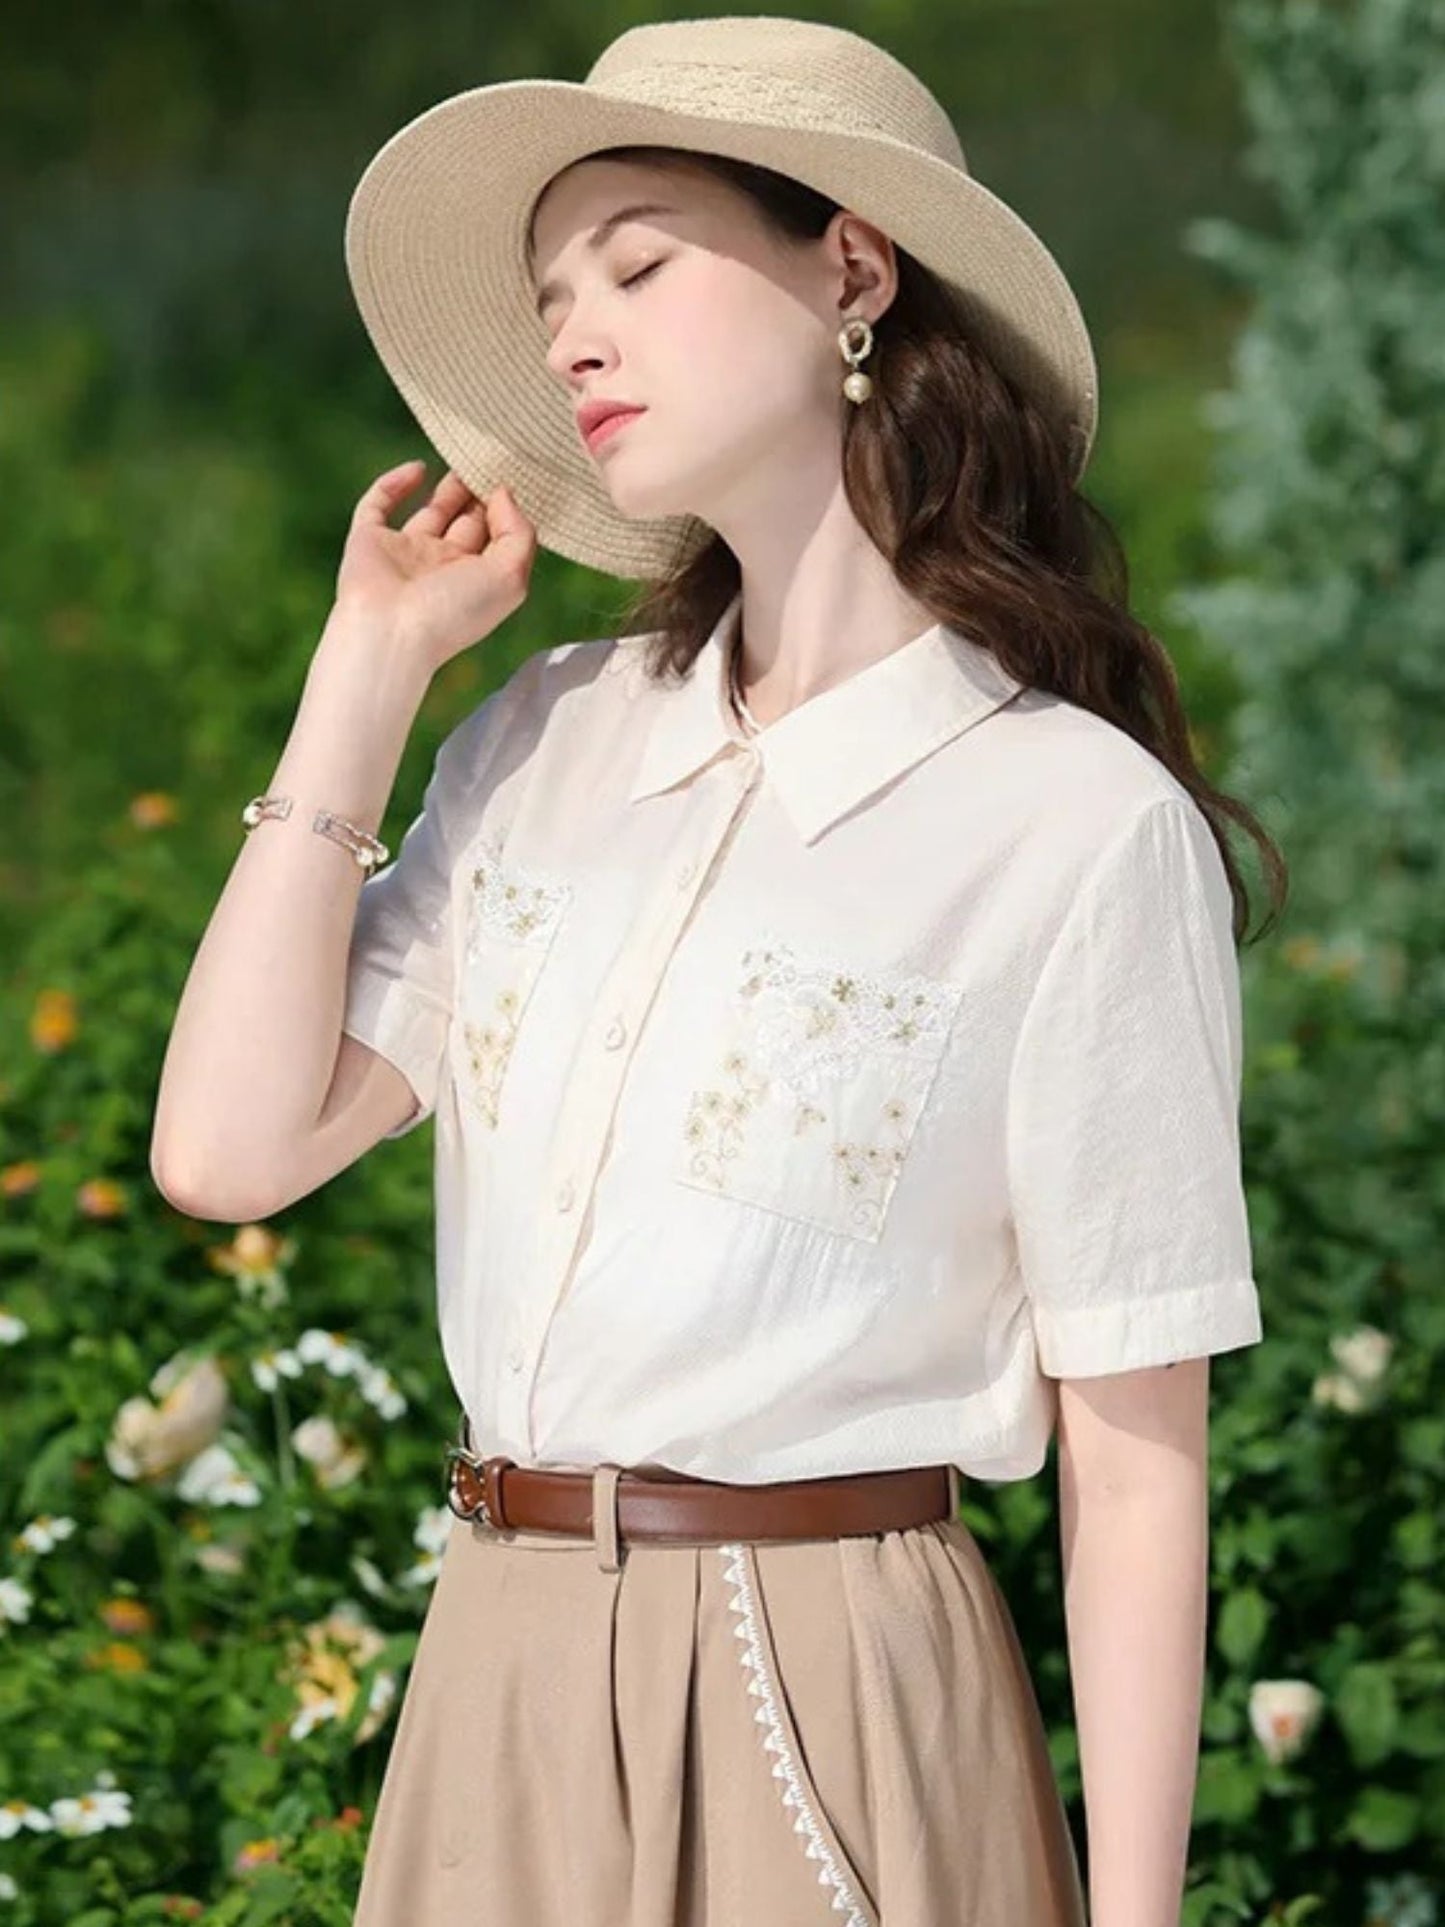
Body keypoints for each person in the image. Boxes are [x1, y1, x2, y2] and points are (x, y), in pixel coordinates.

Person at [152, 16, 1287, 1925]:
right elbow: (226, 1152)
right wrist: (364, 679)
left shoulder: (1072, 829)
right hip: (492, 1671)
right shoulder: (544, 741)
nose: (573, 336)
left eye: (641, 262)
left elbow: (1135, 1458)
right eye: (550, 298)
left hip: (827, 1689)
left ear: (849, 268)